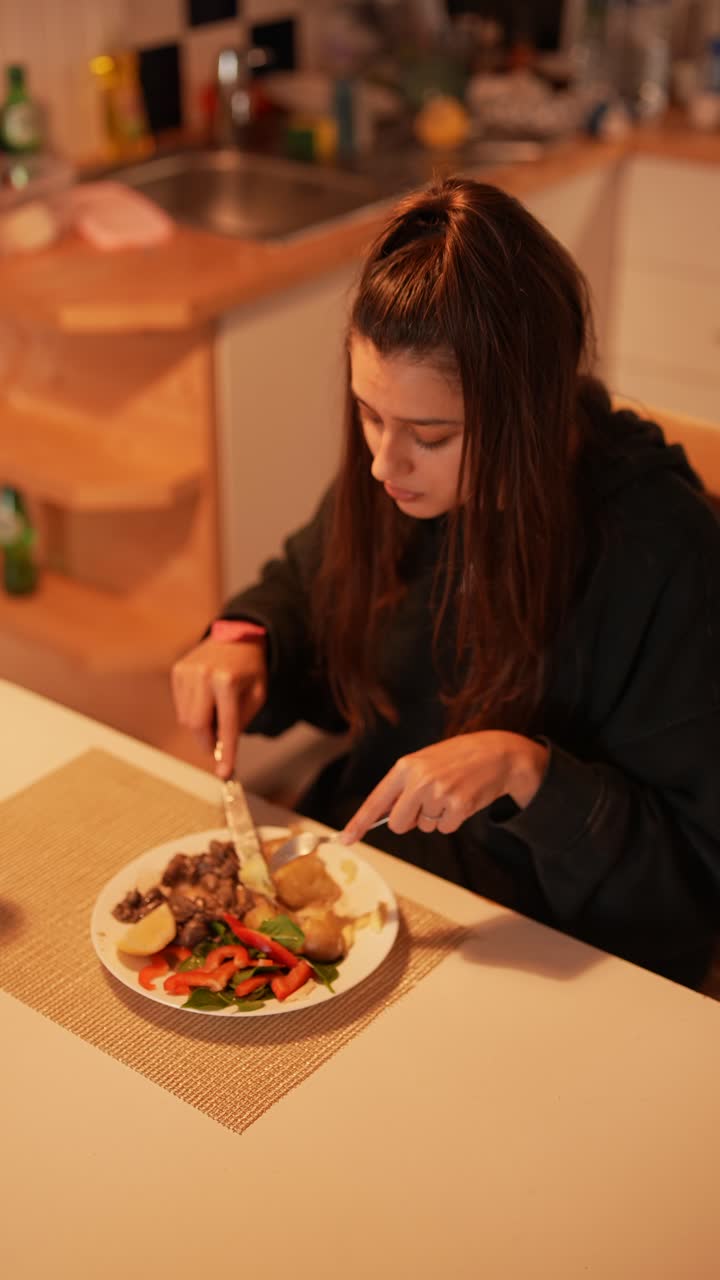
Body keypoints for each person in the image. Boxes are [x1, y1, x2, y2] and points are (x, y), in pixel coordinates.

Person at [172, 177, 720, 990]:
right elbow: (306, 594)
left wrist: (529, 773)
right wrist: (246, 638)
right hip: (388, 897)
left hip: (555, 957)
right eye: (368, 414)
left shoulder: (667, 557)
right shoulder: (400, 480)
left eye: (430, 434)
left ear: (528, 414)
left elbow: (689, 890)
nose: (382, 463)